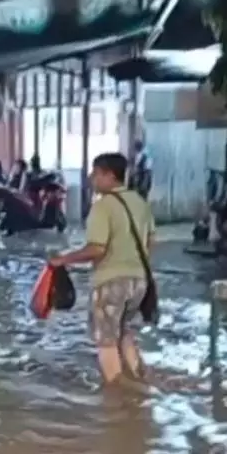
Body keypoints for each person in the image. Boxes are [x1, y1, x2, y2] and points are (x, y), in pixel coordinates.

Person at [49, 152, 155, 385]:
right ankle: (140, 382)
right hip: (139, 281)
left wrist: (64, 259)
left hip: (111, 282)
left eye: (95, 173)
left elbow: (97, 249)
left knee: (106, 341)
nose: (91, 178)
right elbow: (150, 242)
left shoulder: (103, 206)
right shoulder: (140, 203)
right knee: (125, 333)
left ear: (110, 175)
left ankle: (116, 393)